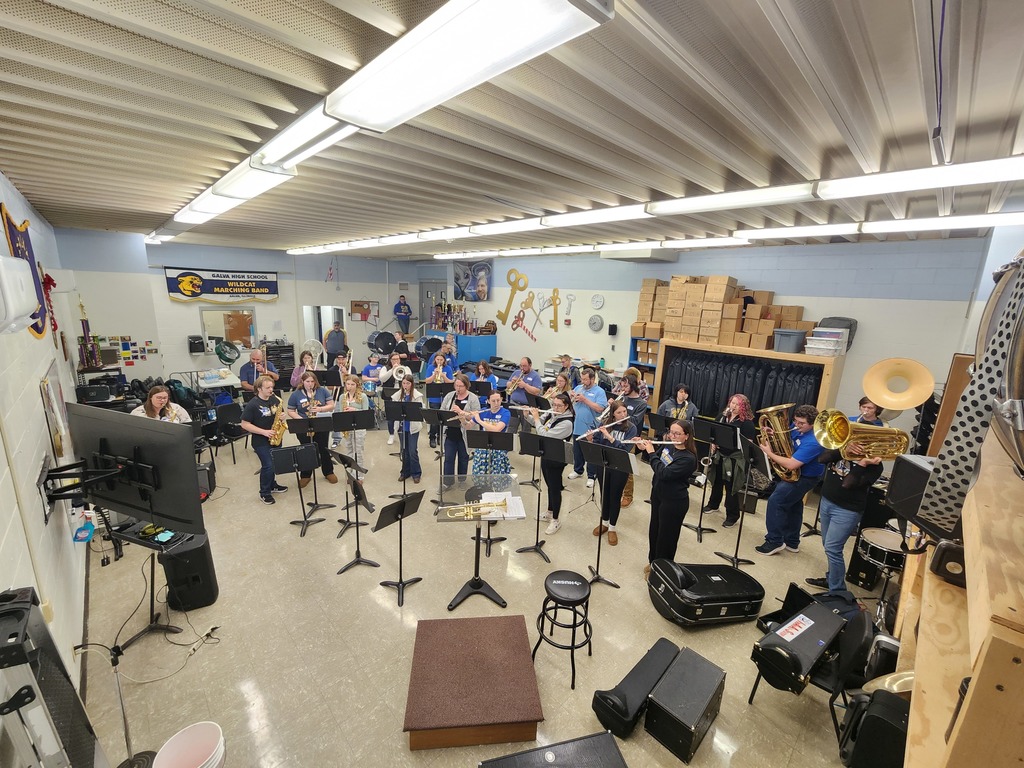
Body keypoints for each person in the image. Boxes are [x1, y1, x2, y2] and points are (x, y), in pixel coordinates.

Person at [805, 444, 884, 592]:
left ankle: (837, 590)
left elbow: (848, 483)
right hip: (827, 501)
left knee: (833, 548)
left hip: (847, 510)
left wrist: (862, 463)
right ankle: (831, 579)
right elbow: (821, 459)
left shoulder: (876, 466)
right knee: (827, 544)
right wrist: (844, 451)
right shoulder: (843, 450)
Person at [755, 404, 826, 555]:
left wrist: (769, 452)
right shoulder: (798, 427)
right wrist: (773, 433)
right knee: (794, 505)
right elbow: (788, 439)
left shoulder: (814, 441)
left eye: (801, 423)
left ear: (813, 424)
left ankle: (774, 541)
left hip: (805, 477)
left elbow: (792, 464)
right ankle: (792, 542)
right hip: (799, 473)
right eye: (795, 421)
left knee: (776, 501)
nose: (796, 426)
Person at [637, 420, 698, 576]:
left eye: (677, 433)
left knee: (667, 538)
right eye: (671, 432)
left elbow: (663, 473)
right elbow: (655, 460)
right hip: (658, 495)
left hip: (674, 501)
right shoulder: (669, 445)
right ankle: (653, 563)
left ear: (687, 436)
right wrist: (644, 448)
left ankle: (662, 570)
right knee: (655, 531)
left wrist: (651, 452)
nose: (672, 436)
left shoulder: (688, 458)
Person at [584, 400, 638, 546]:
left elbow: (624, 449)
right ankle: (605, 522)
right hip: (604, 465)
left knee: (615, 497)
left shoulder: (631, 428)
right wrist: (590, 440)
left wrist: (609, 437)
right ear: (613, 414)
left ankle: (612, 528)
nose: (623, 415)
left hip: (620, 468)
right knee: (604, 494)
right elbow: (598, 445)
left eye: (624, 412)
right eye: (619, 412)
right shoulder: (606, 425)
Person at [704, 394, 758, 527]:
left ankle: (732, 515)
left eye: (737, 404)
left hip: (734, 458)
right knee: (716, 481)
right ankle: (713, 504)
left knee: (730, 487)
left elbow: (748, 444)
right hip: (720, 454)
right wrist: (713, 443)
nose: (733, 406)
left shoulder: (747, 423)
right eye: (732, 403)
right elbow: (713, 433)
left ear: (743, 407)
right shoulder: (722, 416)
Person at [525, 393, 575, 535]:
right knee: (549, 485)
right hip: (546, 453)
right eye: (554, 404)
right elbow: (537, 422)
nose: (555, 407)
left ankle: (556, 520)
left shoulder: (567, 422)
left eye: (559, 406)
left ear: (566, 406)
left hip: (557, 458)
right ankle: (549, 511)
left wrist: (535, 418)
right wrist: (527, 415)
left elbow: (545, 434)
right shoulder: (551, 413)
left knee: (555, 488)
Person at [240, 375, 288, 504]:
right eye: (268, 388)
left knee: (274, 464)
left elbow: (280, 414)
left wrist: (283, 416)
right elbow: (244, 424)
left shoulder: (275, 400)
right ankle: (264, 492)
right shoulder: (252, 405)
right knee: (268, 465)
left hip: (275, 437)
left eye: (272, 387)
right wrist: (264, 432)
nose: (271, 390)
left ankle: (272, 485)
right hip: (261, 441)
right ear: (259, 389)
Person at [286, 372, 337, 487]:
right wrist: (301, 420)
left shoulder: (322, 391)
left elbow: (331, 405)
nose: (310, 384)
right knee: (305, 450)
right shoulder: (296, 394)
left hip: (320, 423)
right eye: (307, 381)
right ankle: (305, 475)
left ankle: (328, 471)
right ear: (302, 382)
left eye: (312, 381)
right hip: (303, 425)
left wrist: (320, 409)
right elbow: (290, 411)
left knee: (324, 448)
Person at [569, 367, 607, 488]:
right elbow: (571, 402)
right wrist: (571, 396)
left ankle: (591, 475)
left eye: (586, 379)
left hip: (591, 426)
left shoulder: (599, 392)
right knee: (577, 450)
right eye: (582, 379)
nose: (583, 382)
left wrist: (585, 400)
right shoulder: (579, 387)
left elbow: (600, 408)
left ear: (592, 379)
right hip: (577, 424)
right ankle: (578, 470)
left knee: (590, 452)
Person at [441, 374, 481, 483]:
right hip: (450, 432)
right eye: (456, 385)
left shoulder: (473, 398)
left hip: (465, 433)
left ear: (467, 386)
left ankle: (462, 480)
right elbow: (442, 410)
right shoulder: (450, 396)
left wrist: (461, 412)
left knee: (463, 459)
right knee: (448, 459)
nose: (458, 388)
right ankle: (447, 483)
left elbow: (476, 415)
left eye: (461, 386)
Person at [618, 374, 648, 508]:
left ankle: (628, 495)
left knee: (627, 467)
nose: (623, 388)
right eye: (622, 386)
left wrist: (621, 414)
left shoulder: (641, 403)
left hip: (631, 436)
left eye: (626, 386)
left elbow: (636, 420)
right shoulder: (622, 398)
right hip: (617, 434)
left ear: (633, 386)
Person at [470, 390, 512, 475]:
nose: (496, 403)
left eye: (498, 400)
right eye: (493, 401)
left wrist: (479, 420)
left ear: (501, 399)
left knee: (497, 476)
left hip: (498, 447)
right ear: (488, 401)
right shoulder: (483, 411)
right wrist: (462, 419)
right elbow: (468, 425)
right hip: (483, 446)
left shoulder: (506, 413)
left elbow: (497, 429)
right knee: (480, 474)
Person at [336, 374, 370, 480]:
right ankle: (351, 472)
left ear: (357, 385)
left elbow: (366, 413)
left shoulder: (362, 396)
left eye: (352, 384)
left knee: (358, 451)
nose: (349, 386)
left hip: (359, 428)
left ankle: (359, 476)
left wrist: (354, 410)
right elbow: (341, 413)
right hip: (347, 427)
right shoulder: (342, 397)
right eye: (348, 384)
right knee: (349, 450)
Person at [392, 374, 425, 484]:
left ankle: (416, 473)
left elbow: (421, 410)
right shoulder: (397, 395)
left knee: (412, 451)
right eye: (404, 383)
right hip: (402, 426)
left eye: (408, 383)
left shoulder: (417, 396)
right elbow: (393, 409)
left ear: (412, 384)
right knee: (404, 450)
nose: (405, 385)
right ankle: (405, 472)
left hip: (413, 427)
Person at [425, 352, 456, 447]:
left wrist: (443, 376)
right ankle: (432, 437)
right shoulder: (431, 367)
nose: (439, 361)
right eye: (437, 359)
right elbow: (427, 381)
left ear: (444, 360)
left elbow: (451, 382)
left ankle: (440, 436)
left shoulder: (448, 368)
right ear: (435, 360)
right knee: (434, 419)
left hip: (445, 398)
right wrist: (434, 375)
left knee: (442, 419)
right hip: (434, 397)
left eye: (441, 360)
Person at [378, 351, 406, 445]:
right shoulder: (385, 368)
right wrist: (391, 370)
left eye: (397, 359)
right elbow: (382, 379)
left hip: (402, 395)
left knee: (402, 415)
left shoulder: (405, 368)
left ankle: (402, 434)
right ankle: (391, 434)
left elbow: (409, 379)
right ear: (390, 360)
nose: (396, 361)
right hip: (389, 395)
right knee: (390, 417)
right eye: (393, 359)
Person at [328, 352, 354, 445]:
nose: (341, 361)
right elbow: (330, 387)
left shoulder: (352, 368)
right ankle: (336, 439)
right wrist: (339, 378)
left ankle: (350, 438)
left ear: (346, 359)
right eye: (339, 359)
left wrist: (346, 374)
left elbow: (354, 385)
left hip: (350, 397)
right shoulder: (332, 369)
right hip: (337, 397)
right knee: (336, 418)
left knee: (350, 418)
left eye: (343, 359)